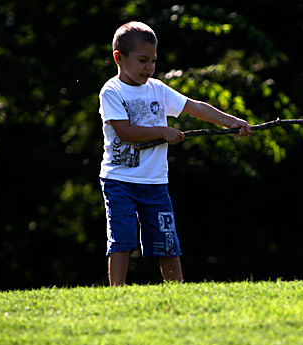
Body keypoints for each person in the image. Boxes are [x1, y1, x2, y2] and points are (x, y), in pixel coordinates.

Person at [99, 21, 252, 285]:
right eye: (142, 60)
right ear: (119, 58)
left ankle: (178, 292)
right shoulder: (112, 92)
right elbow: (125, 132)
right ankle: (116, 295)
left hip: (155, 182)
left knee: (167, 241)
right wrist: (162, 131)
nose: (149, 67)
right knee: (122, 238)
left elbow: (195, 107)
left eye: (153, 61)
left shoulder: (157, 89)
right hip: (119, 181)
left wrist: (231, 122)